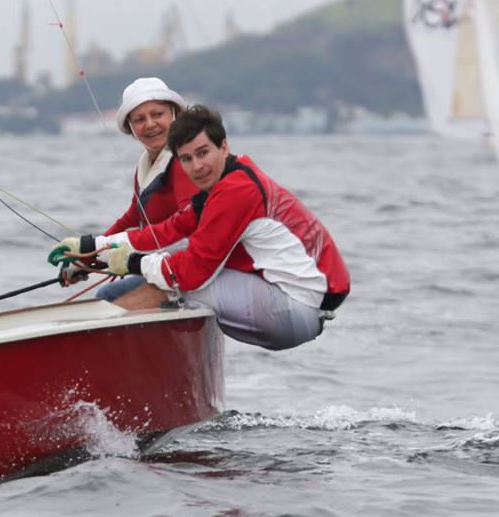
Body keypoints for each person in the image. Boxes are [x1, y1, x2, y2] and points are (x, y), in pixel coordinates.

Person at [49, 105, 350, 351]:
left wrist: (131, 262)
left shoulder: (236, 190)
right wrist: (92, 249)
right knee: (117, 292)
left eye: (203, 153)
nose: (197, 167)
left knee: (168, 285)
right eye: (187, 159)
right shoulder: (222, 182)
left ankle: (93, 356)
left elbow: (191, 273)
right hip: (289, 302)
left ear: (223, 147)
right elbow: (165, 232)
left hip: (296, 309)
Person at [55, 77, 199, 301]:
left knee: (109, 299)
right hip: (160, 264)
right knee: (105, 296)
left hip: (191, 270)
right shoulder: (145, 165)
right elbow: (132, 218)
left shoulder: (184, 160)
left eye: (157, 114)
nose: (150, 124)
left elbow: (190, 229)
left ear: (173, 114)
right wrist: (87, 256)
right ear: (131, 128)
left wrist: (125, 254)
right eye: (139, 119)